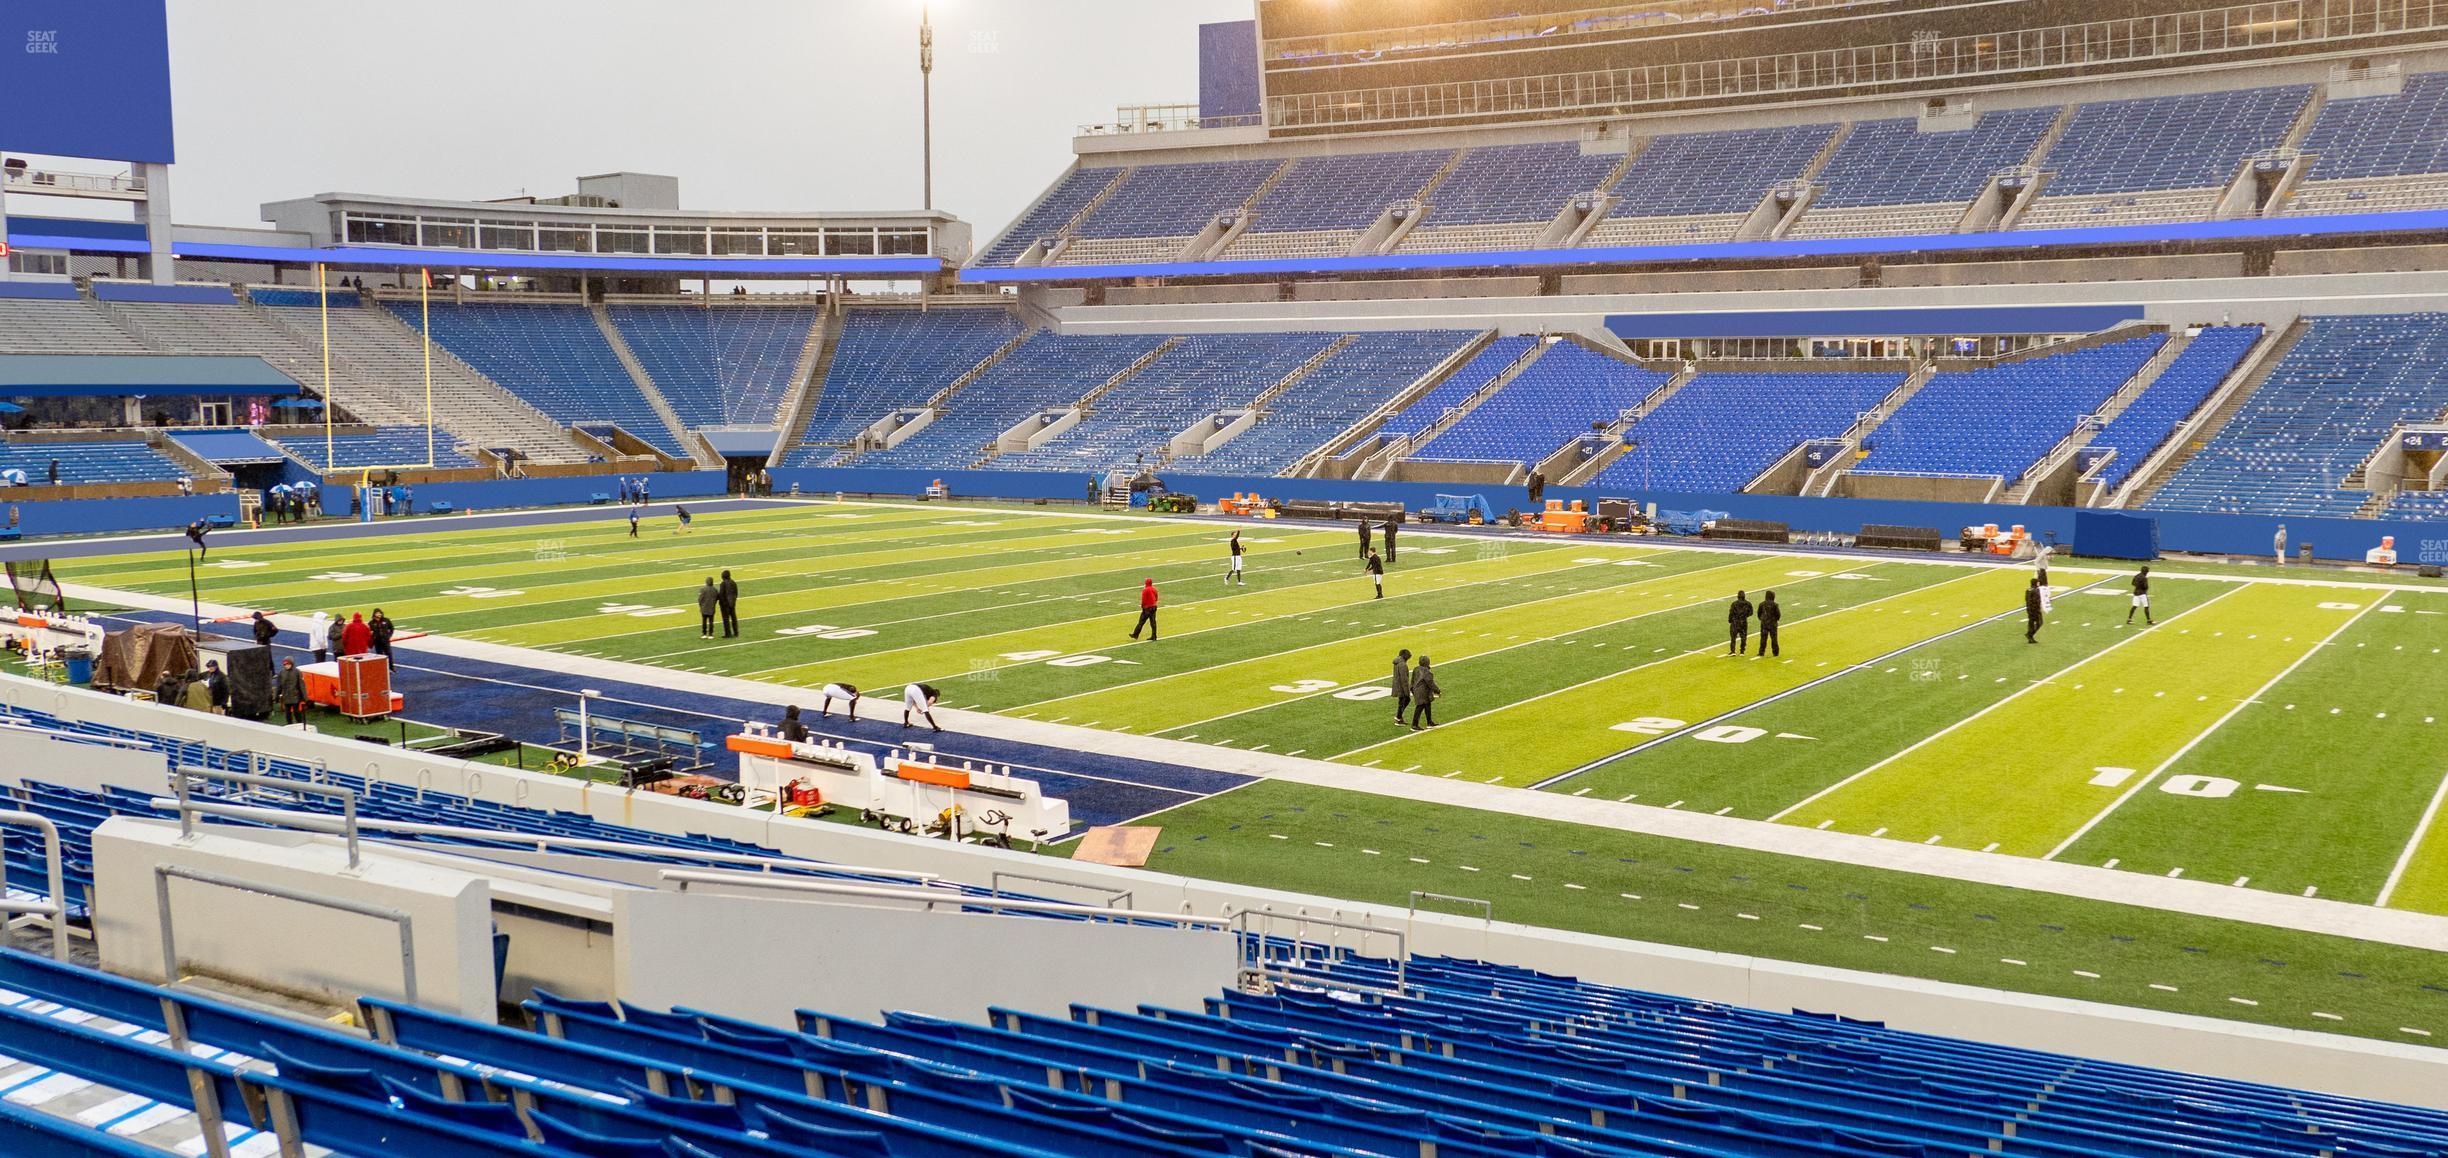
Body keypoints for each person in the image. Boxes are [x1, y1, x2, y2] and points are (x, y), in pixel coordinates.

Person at [1408, 656, 1439, 730]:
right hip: (1423, 691)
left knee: (1427, 705)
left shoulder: (1416, 669)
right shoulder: (1426, 671)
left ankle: (1429, 722)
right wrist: (1437, 690)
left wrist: (1412, 689)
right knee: (1420, 706)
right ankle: (1414, 725)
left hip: (1417, 690)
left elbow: (1412, 680)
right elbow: (1430, 683)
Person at [277, 658, 307, 724]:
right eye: (285, 664)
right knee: (287, 714)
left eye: (288, 664)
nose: (286, 666)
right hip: (286, 697)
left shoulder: (297, 672)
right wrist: (276, 696)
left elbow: (301, 685)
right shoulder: (282, 673)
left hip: (295, 697)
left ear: (291, 664)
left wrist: (304, 697)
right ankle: (289, 724)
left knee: (297, 713)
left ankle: (299, 724)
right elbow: (279, 685)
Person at [1727, 590, 1754, 655]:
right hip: (1743, 622)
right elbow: (1751, 613)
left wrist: (1730, 620)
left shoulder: (1734, 604)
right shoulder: (1748, 603)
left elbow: (1731, 613)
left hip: (1735, 622)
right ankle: (1742, 651)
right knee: (1743, 637)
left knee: (1733, 637)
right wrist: (1745, 616)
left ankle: (1733, 651)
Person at [1756, 590, 1781, 658]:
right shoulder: (1775, 605)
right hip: (1773, 624)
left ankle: (1761, 652)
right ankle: (1775, 652)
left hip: (1764, 624)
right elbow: (1778, 615)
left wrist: (1762, 619)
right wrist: (1775, 620)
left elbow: (1758, 614)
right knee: (1774, 639)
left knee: (1763, 639)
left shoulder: (1761, 604)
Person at [1391, 648, 1412, 724]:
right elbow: (1404, 679)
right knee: (1405, 700)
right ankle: (1398, 717)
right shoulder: (1402, 664)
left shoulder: (1397, 662)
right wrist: (1407, 691)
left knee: (1402, 701)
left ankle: (1399, 717)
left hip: (1397, 684)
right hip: (1401, 686)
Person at [717, 570, 739, 637]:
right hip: (732, 603)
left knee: (726, 619)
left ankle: (727, 633)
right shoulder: (733, 582)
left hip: (725, 605)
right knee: (733, 618)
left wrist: (722, 603)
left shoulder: (723, 584)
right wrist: (734, 600)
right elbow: (736, 593)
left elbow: (721, 595)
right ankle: (736, 632)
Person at [2025, 576, 2046, 643]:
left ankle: (2030, 637)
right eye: (2037, 582)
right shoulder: (2035, 590)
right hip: (2035, 609)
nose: (2038, 584)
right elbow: (2035, 601)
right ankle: (2030, 634)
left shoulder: (2028, 590)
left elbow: (2027, 600)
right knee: (2039, 622)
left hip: (2029, 609)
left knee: (2031, 623)